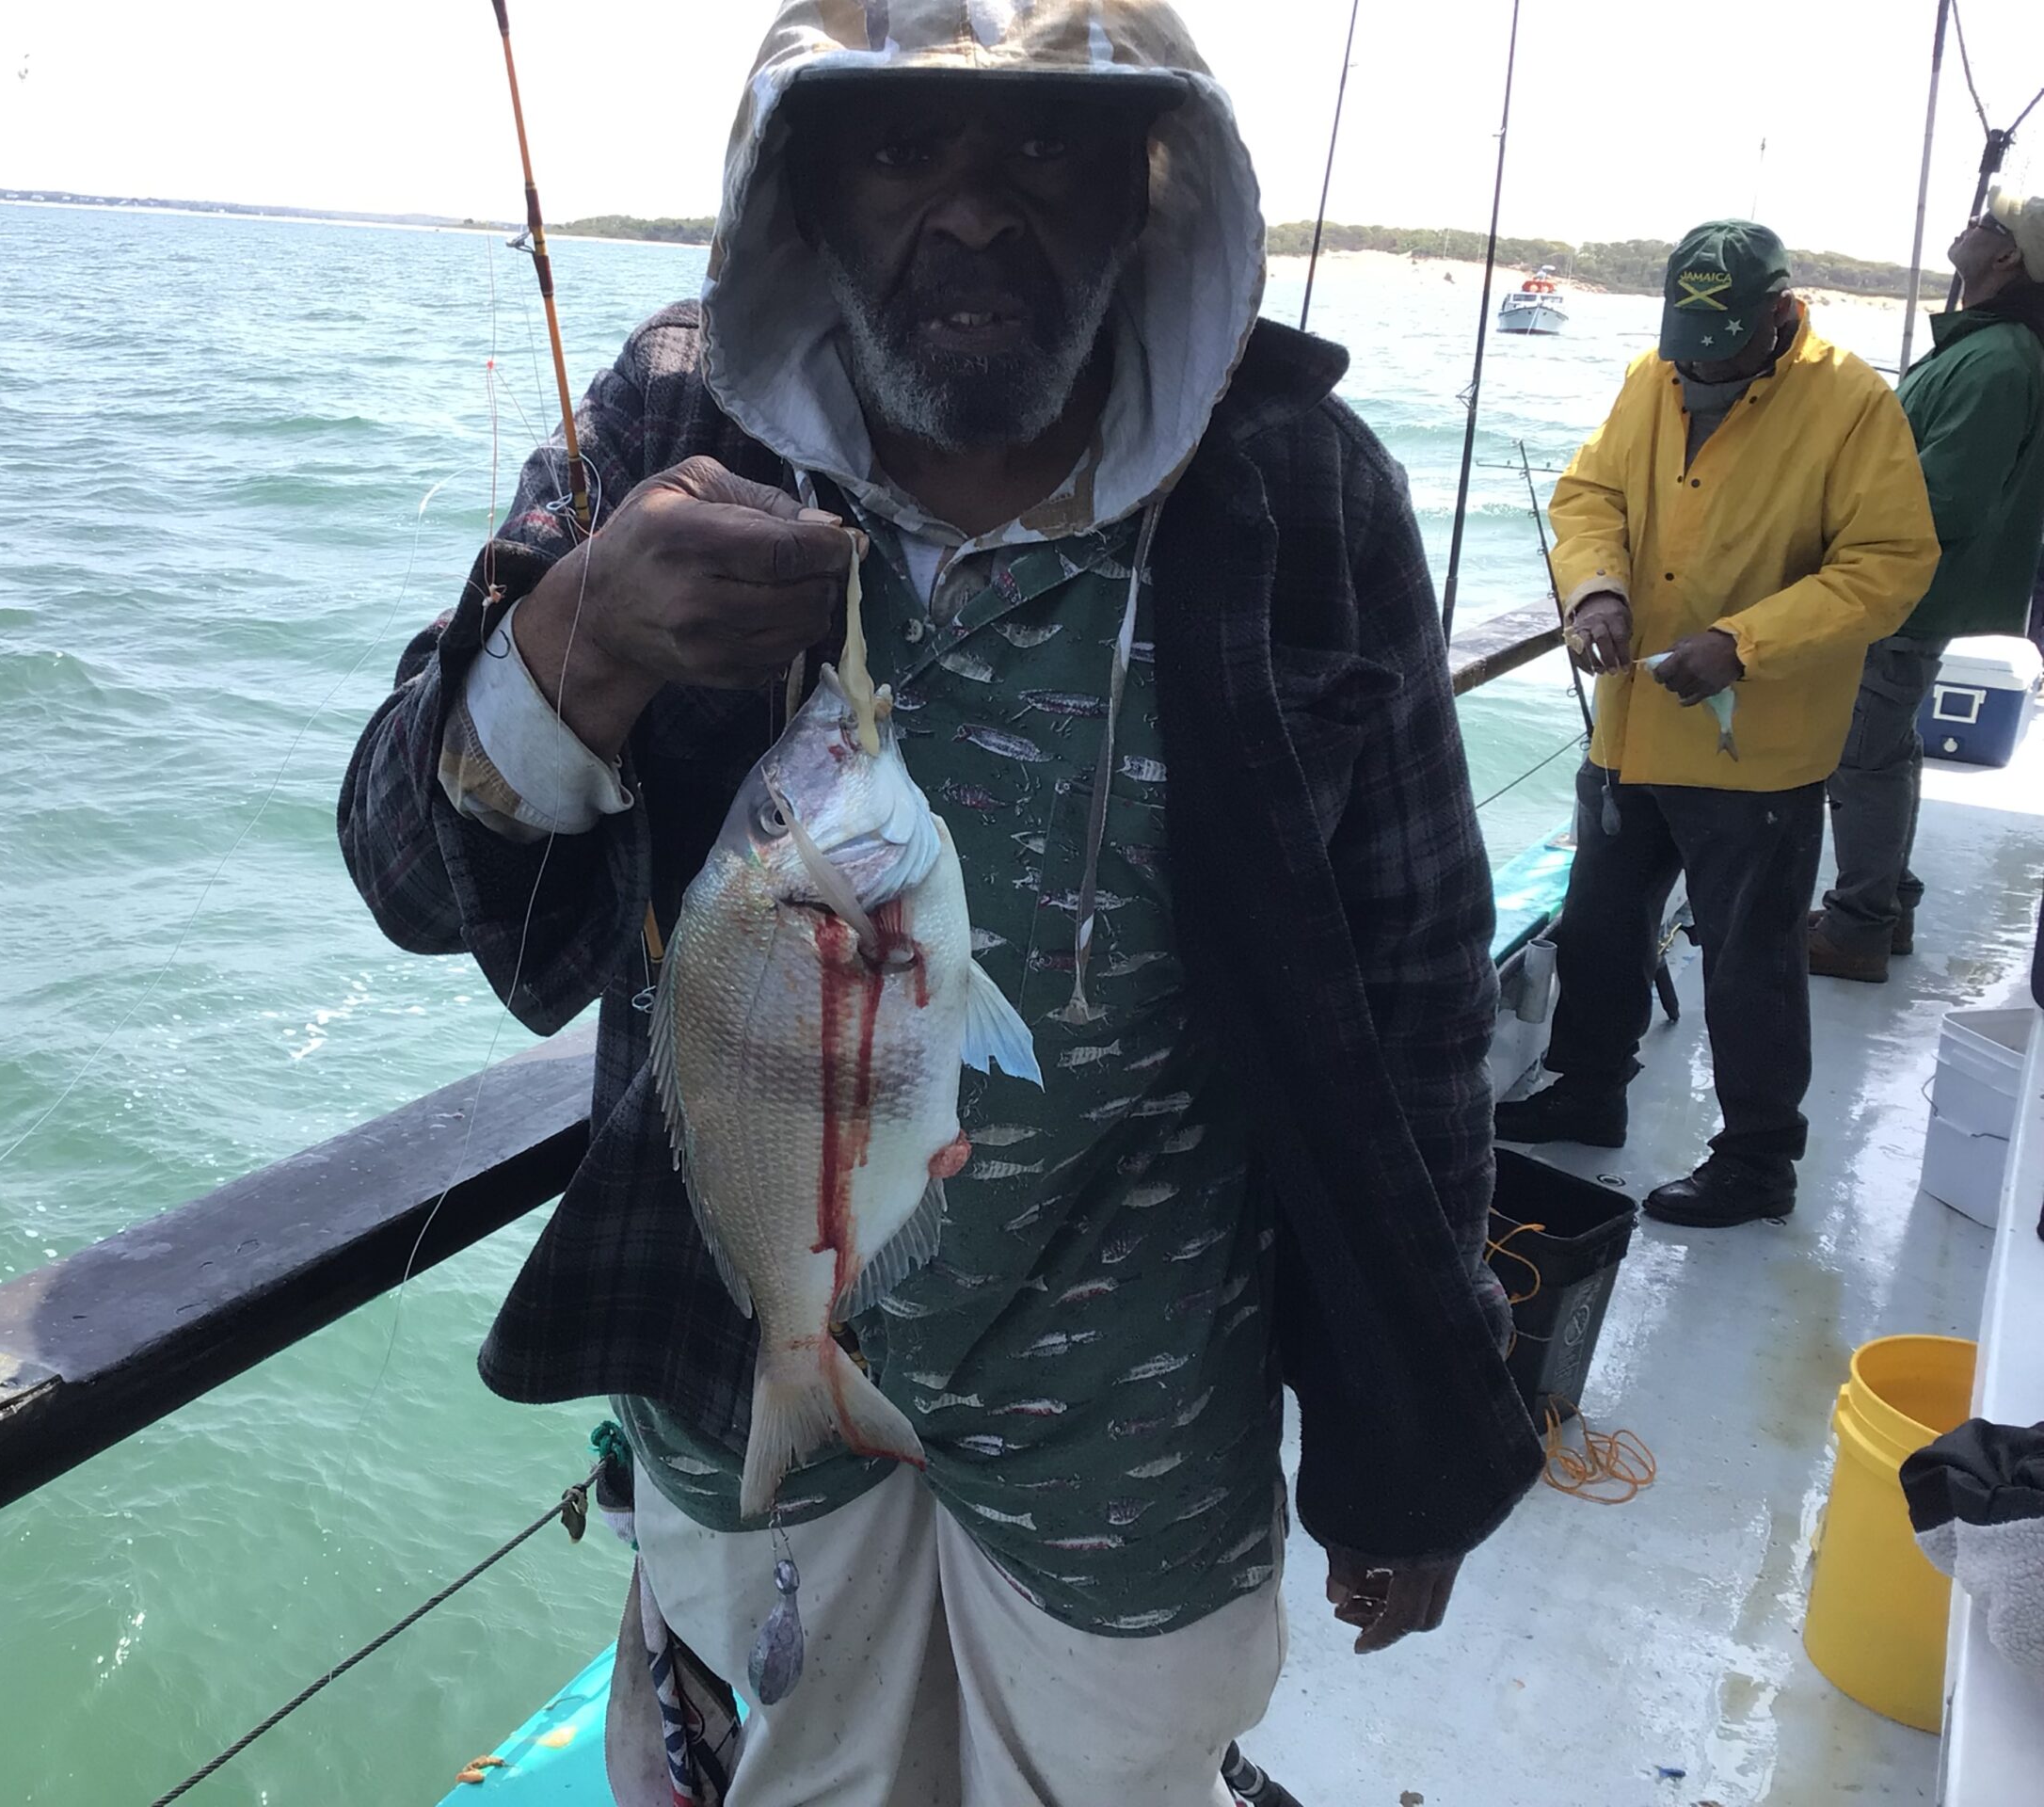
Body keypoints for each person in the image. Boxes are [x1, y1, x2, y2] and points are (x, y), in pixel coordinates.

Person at [339, 4, 1539, 1800]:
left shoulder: (1299, 490)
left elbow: (1421, 988)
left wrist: (1411, 1439)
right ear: (806, 195)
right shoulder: (677, 427)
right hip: (741, 1376)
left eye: (1046, 148)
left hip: (1136, 1422)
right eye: (902, 149)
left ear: (1150, 192)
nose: (972, 212)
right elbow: (408, 879)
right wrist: (574, 639)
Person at [1494, 221, 1939, 1228]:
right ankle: (1584, 1087)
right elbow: (1589, 493)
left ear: (1781, 316)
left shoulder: (1852, 403)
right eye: (1683, 337)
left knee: (1751, 956)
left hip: (1756, 750)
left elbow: (1887, 566)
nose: (1696, 360)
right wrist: (1595, 591)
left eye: (1723, 340)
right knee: (1601, 925)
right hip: (1632, 727)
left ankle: (1755, 1160)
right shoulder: (1651, 375)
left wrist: (1742, 643)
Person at [1811, 185, 2044, 981]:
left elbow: (1946, 499)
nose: (1971, 224)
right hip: (1908, 588)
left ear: (2007, 255)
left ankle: (1859, 926)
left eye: (1987, 222)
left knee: (1864, 756)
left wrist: (1821, 528)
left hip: (1899, 591)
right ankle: (1888, 901)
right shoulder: (1987, 348)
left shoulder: (1998, 358)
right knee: (1886, 747)